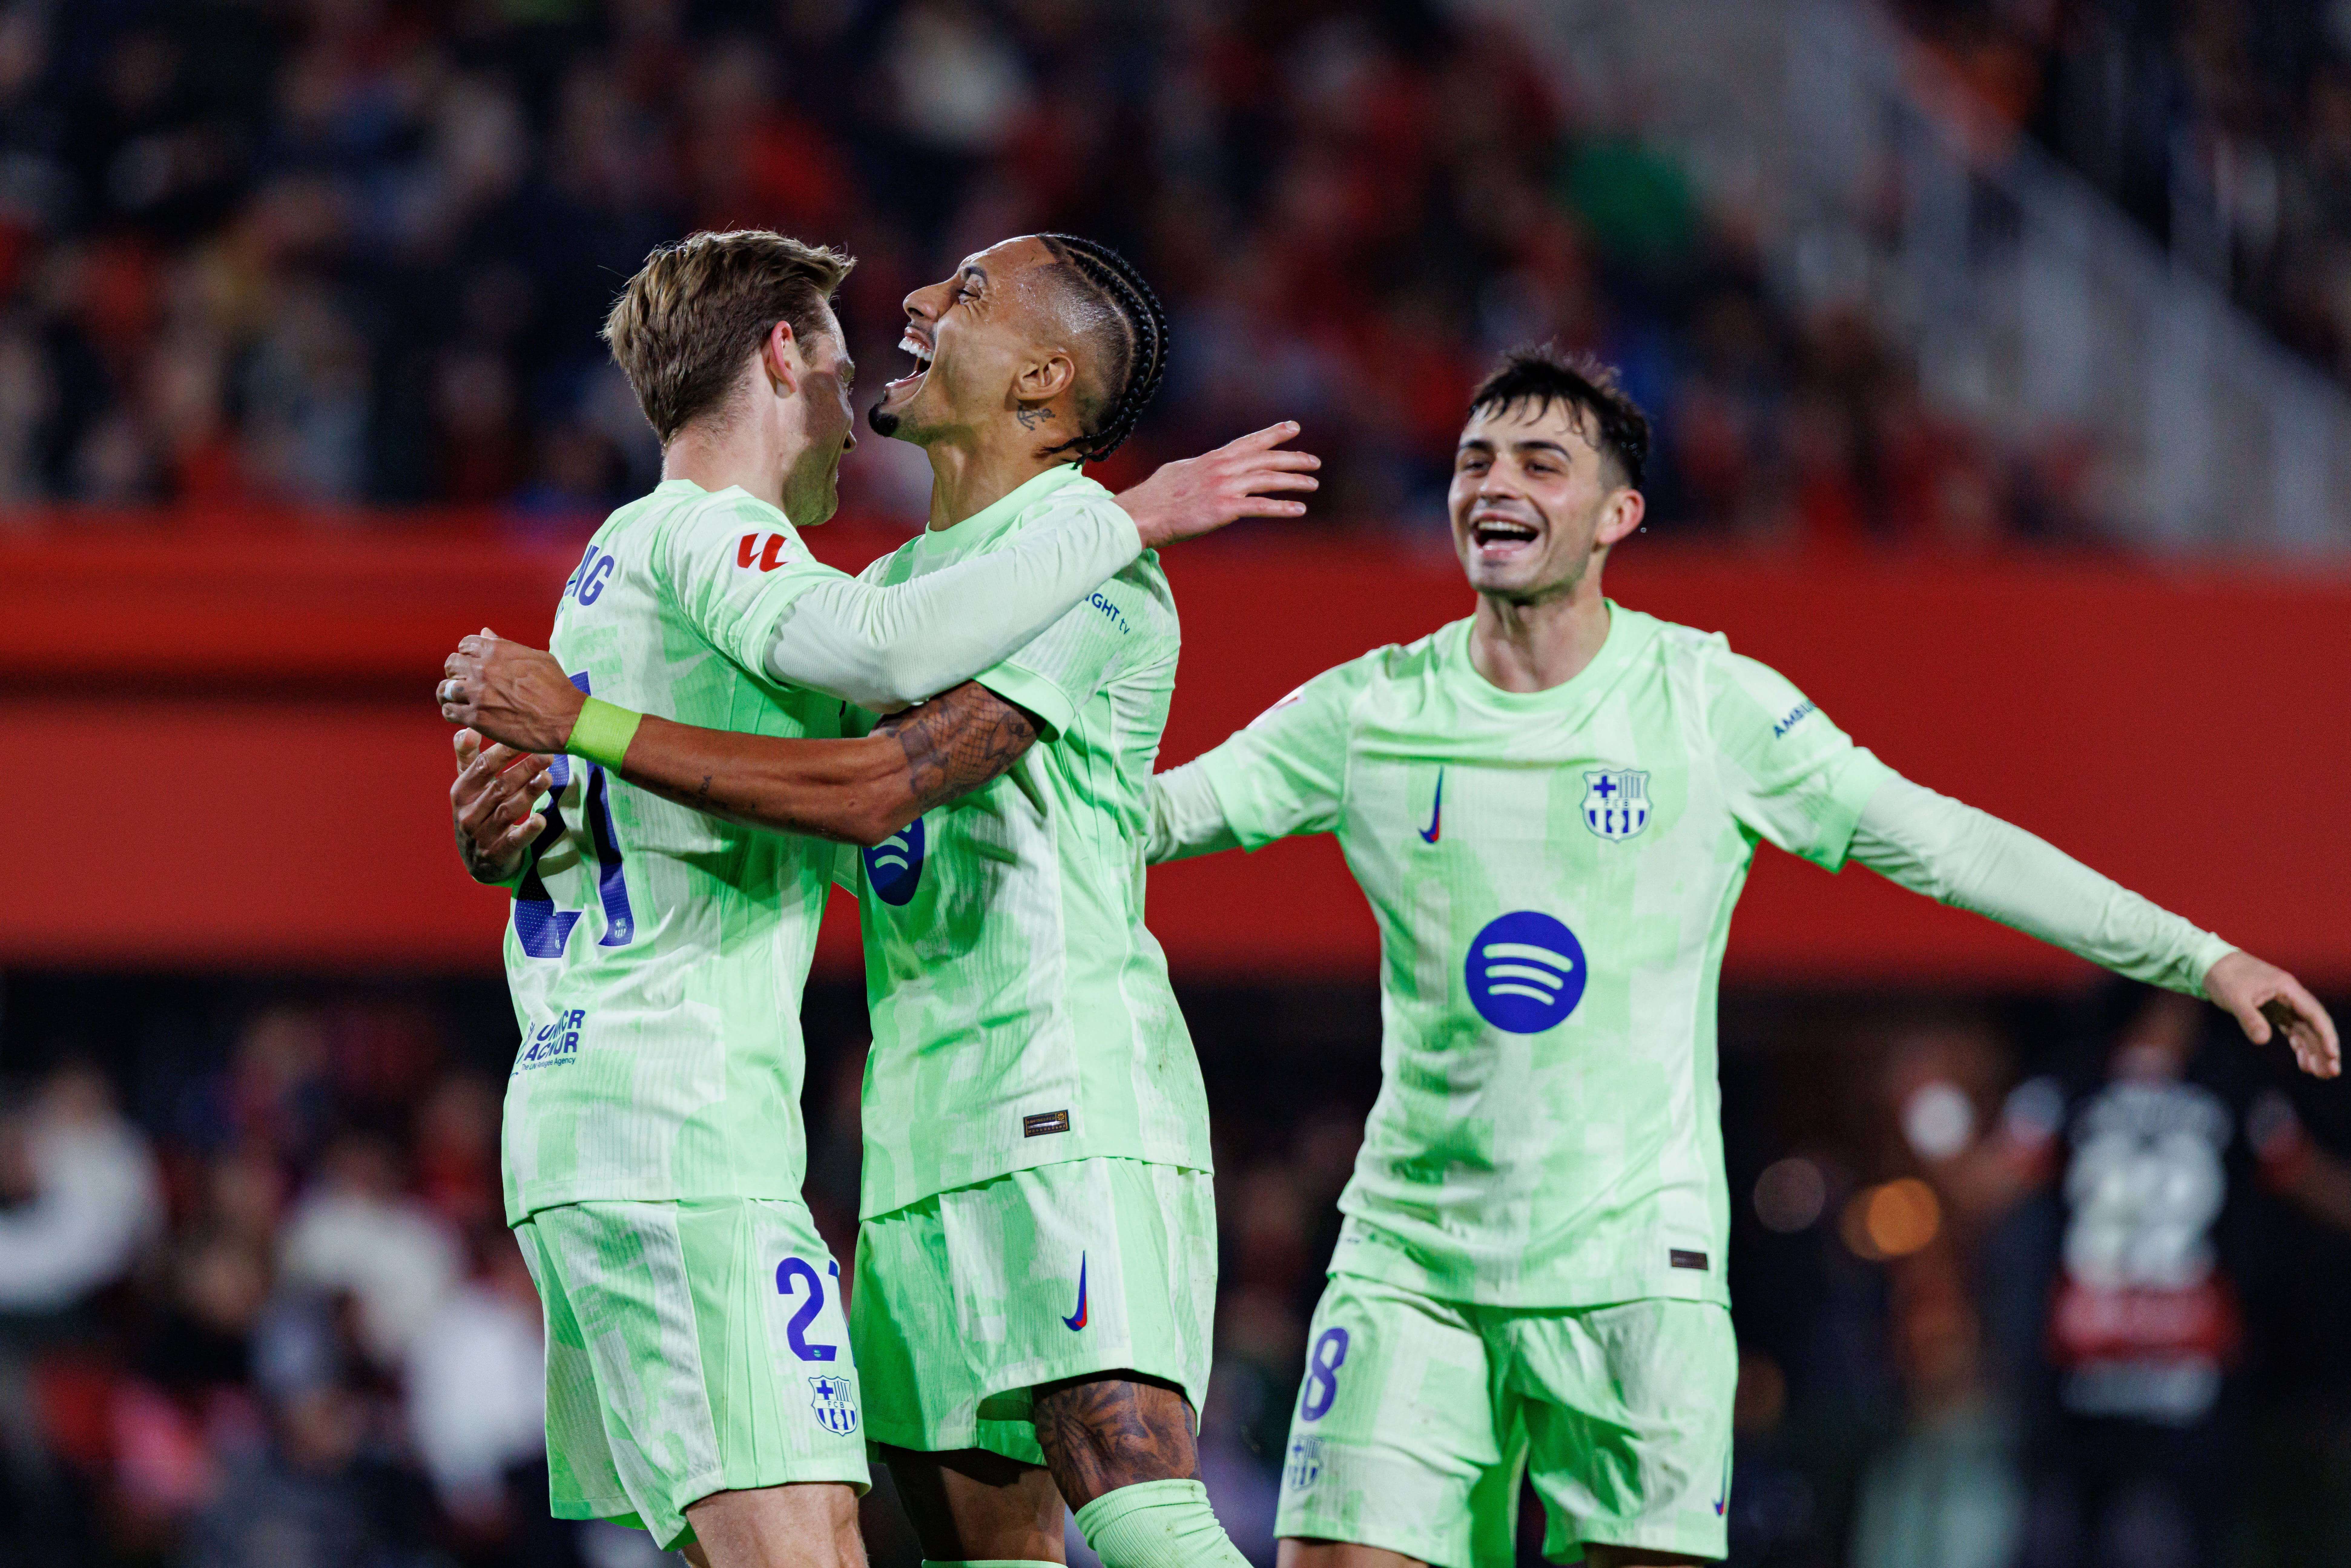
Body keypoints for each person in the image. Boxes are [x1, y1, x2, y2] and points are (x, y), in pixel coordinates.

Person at [1132, 345, 2339, 1568]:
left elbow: (1939, 839)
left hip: (1634, 1278)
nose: (1493, 482)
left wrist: (2192, 953)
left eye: (1540, 461)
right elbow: (1147, 822)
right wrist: (1091, 562)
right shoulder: (1368, 709)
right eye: (1473, 460)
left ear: (1618, 516)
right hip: (1410, 1266)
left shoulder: (1707, 705)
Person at [438, 228, 1315, 1568]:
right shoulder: (880, 593)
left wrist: (576, 737)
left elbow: (869, 788)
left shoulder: (1085, 565)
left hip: (1062, 1092)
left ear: (1039, 378)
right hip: (900, 1131)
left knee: (1127, 1494)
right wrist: (529, 811)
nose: (909, 303)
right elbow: (771, 746)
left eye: (962, 290)